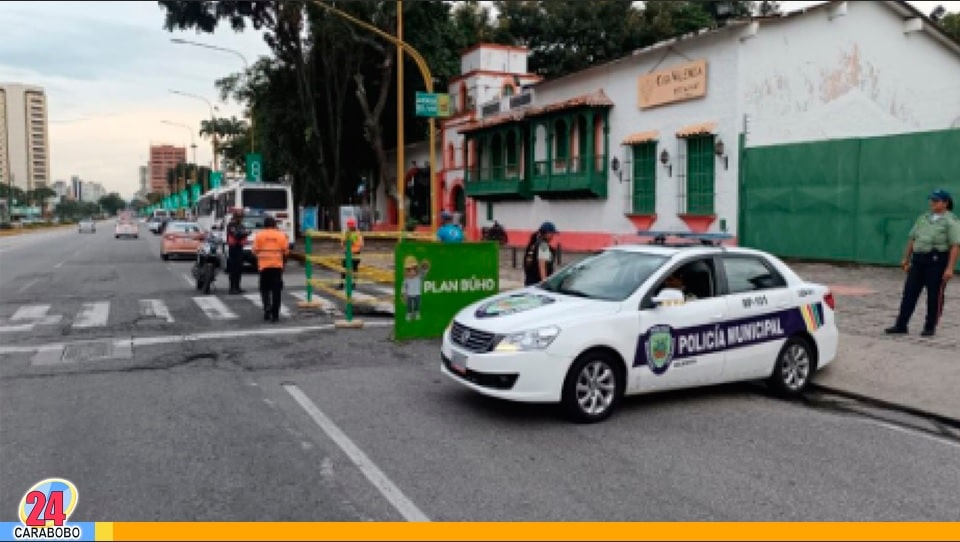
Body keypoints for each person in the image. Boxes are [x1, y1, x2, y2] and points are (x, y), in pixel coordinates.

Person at [886, 189, 960, 337]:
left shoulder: (951, 221)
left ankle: (929, 326)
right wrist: (906, 258)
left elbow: (955, 245)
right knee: (909, 293)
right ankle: (901, 325)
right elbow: (913, 238)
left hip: (936, 262)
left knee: (934, 296)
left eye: (936, 200)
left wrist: (950, 268)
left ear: (945, 203)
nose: (932, 203)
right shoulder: (923, 218)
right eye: (931, 200)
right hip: (918, 260)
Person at [252, 215, 290, 323]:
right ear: (275, 225)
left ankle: (267, 309)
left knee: (264, 290)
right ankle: (275, 315)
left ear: (264, 225)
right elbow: (286, 252)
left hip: (263, 267)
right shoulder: (281, 236)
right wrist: (283, 263)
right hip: (277, 267)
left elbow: (254, 251)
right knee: (276, 291)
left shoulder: (259, 235)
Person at [523, 221, 558, 286]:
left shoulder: (533, 244)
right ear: (547, 233)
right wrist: (544, 283)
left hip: (529, 281)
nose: (553, 236)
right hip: (537, 283)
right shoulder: (543, 246)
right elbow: (542, 266)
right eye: (552, 233)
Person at [225, 208, 249, 294]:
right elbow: (236, 235)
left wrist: (245, 233)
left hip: (239, 247)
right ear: (235, 217)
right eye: (239, 217)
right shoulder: (231, 225)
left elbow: (241, 234)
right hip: (233, 248)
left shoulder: (241, 225)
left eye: (241, 217)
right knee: (234, 269)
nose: (241, 218)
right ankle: (232, 288)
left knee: (239, 268)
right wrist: (245, 233)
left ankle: (238, 287)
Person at [338, 218, 364, 290]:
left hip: (356, 253)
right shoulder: (346, 232)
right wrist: (344, 243)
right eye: (348, 224)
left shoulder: (358, 233)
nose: (349, 226)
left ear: (354, 225)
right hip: (347, 253)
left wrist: (353, 243)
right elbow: (342, 242)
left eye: (350, 225)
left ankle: (353, 284)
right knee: (344, 269)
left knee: (354, 269)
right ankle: (341, 284)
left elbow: (361, 243)